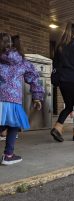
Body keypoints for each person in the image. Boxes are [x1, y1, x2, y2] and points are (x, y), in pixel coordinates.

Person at [0, 32, 44, 165]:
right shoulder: (22, 62)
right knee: (13, 126)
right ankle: (8, 155)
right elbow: (34, 78)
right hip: (13, 100)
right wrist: (37, 97)